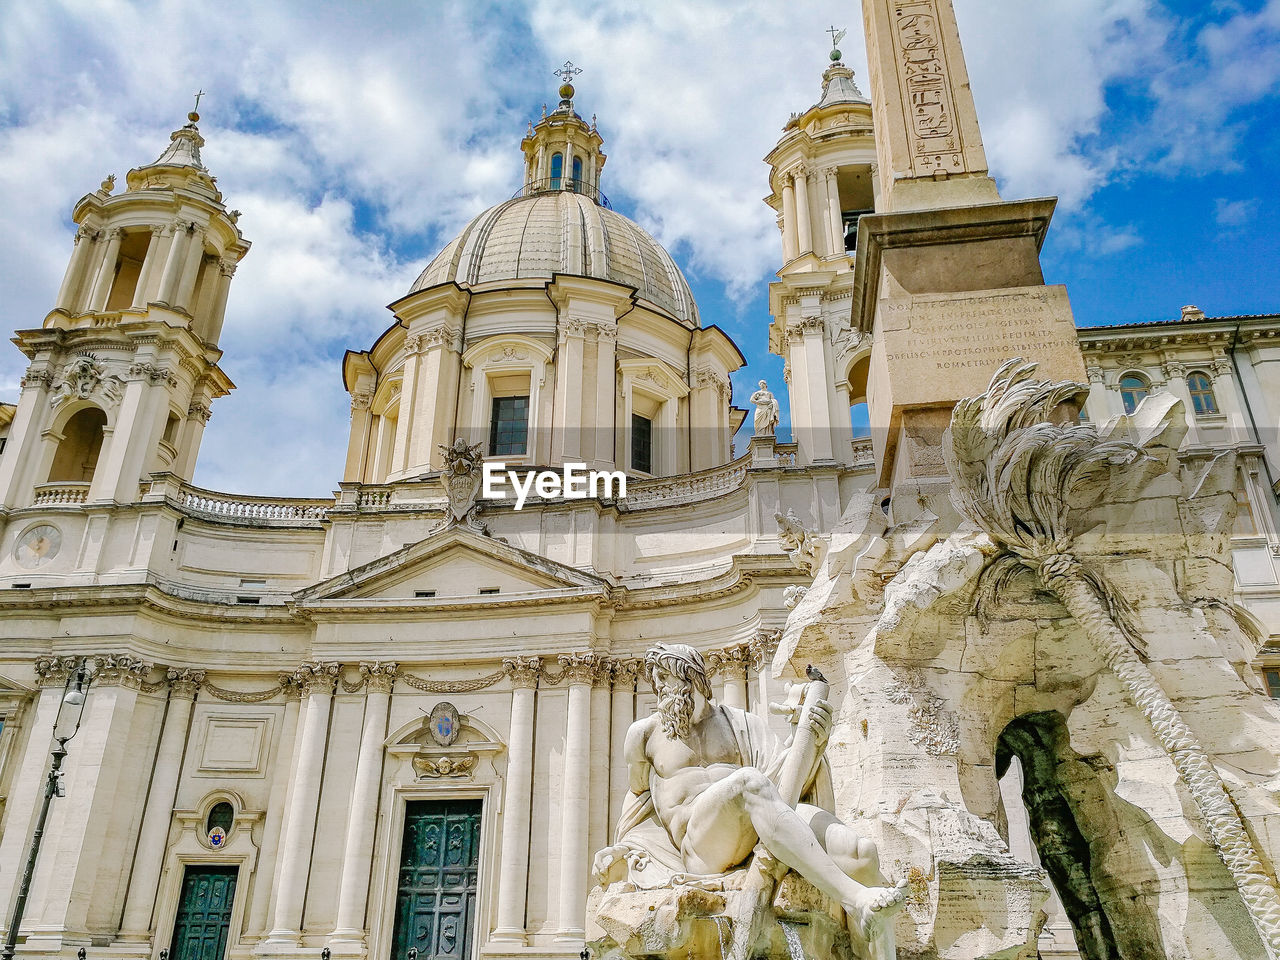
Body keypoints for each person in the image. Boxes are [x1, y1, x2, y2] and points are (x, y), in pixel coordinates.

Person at [594, 643, 905, 945]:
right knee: (748, 781)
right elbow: (638, 800)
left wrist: (814, 740)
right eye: (655, 680)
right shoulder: (644, 734)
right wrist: (622, 849)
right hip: (700, 849)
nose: (657, 688)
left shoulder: (741, 723)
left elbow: (783, 782)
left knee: (861, 853)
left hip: (757, 823)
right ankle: (855, 897)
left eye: (664, 677)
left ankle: (878, 941)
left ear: (691, 678)